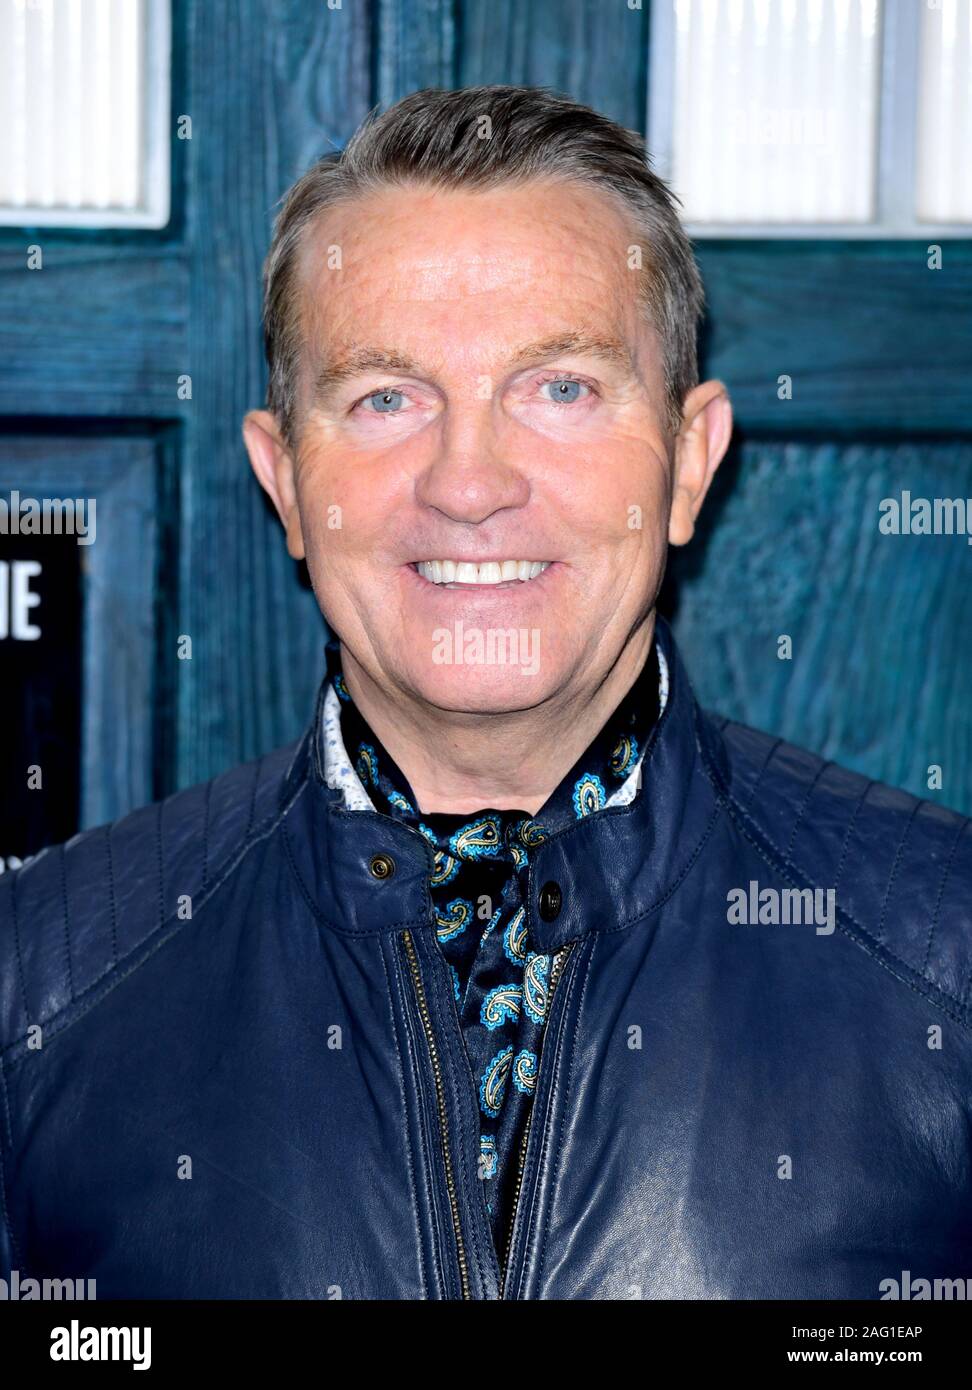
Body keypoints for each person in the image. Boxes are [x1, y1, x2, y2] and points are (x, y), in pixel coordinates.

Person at [1, 86, 969, 1301]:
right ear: (286, 483)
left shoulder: (949, 952)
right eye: (385, 398)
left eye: (559, 387)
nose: (469, 482)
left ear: (691, 463)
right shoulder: (36, 983)